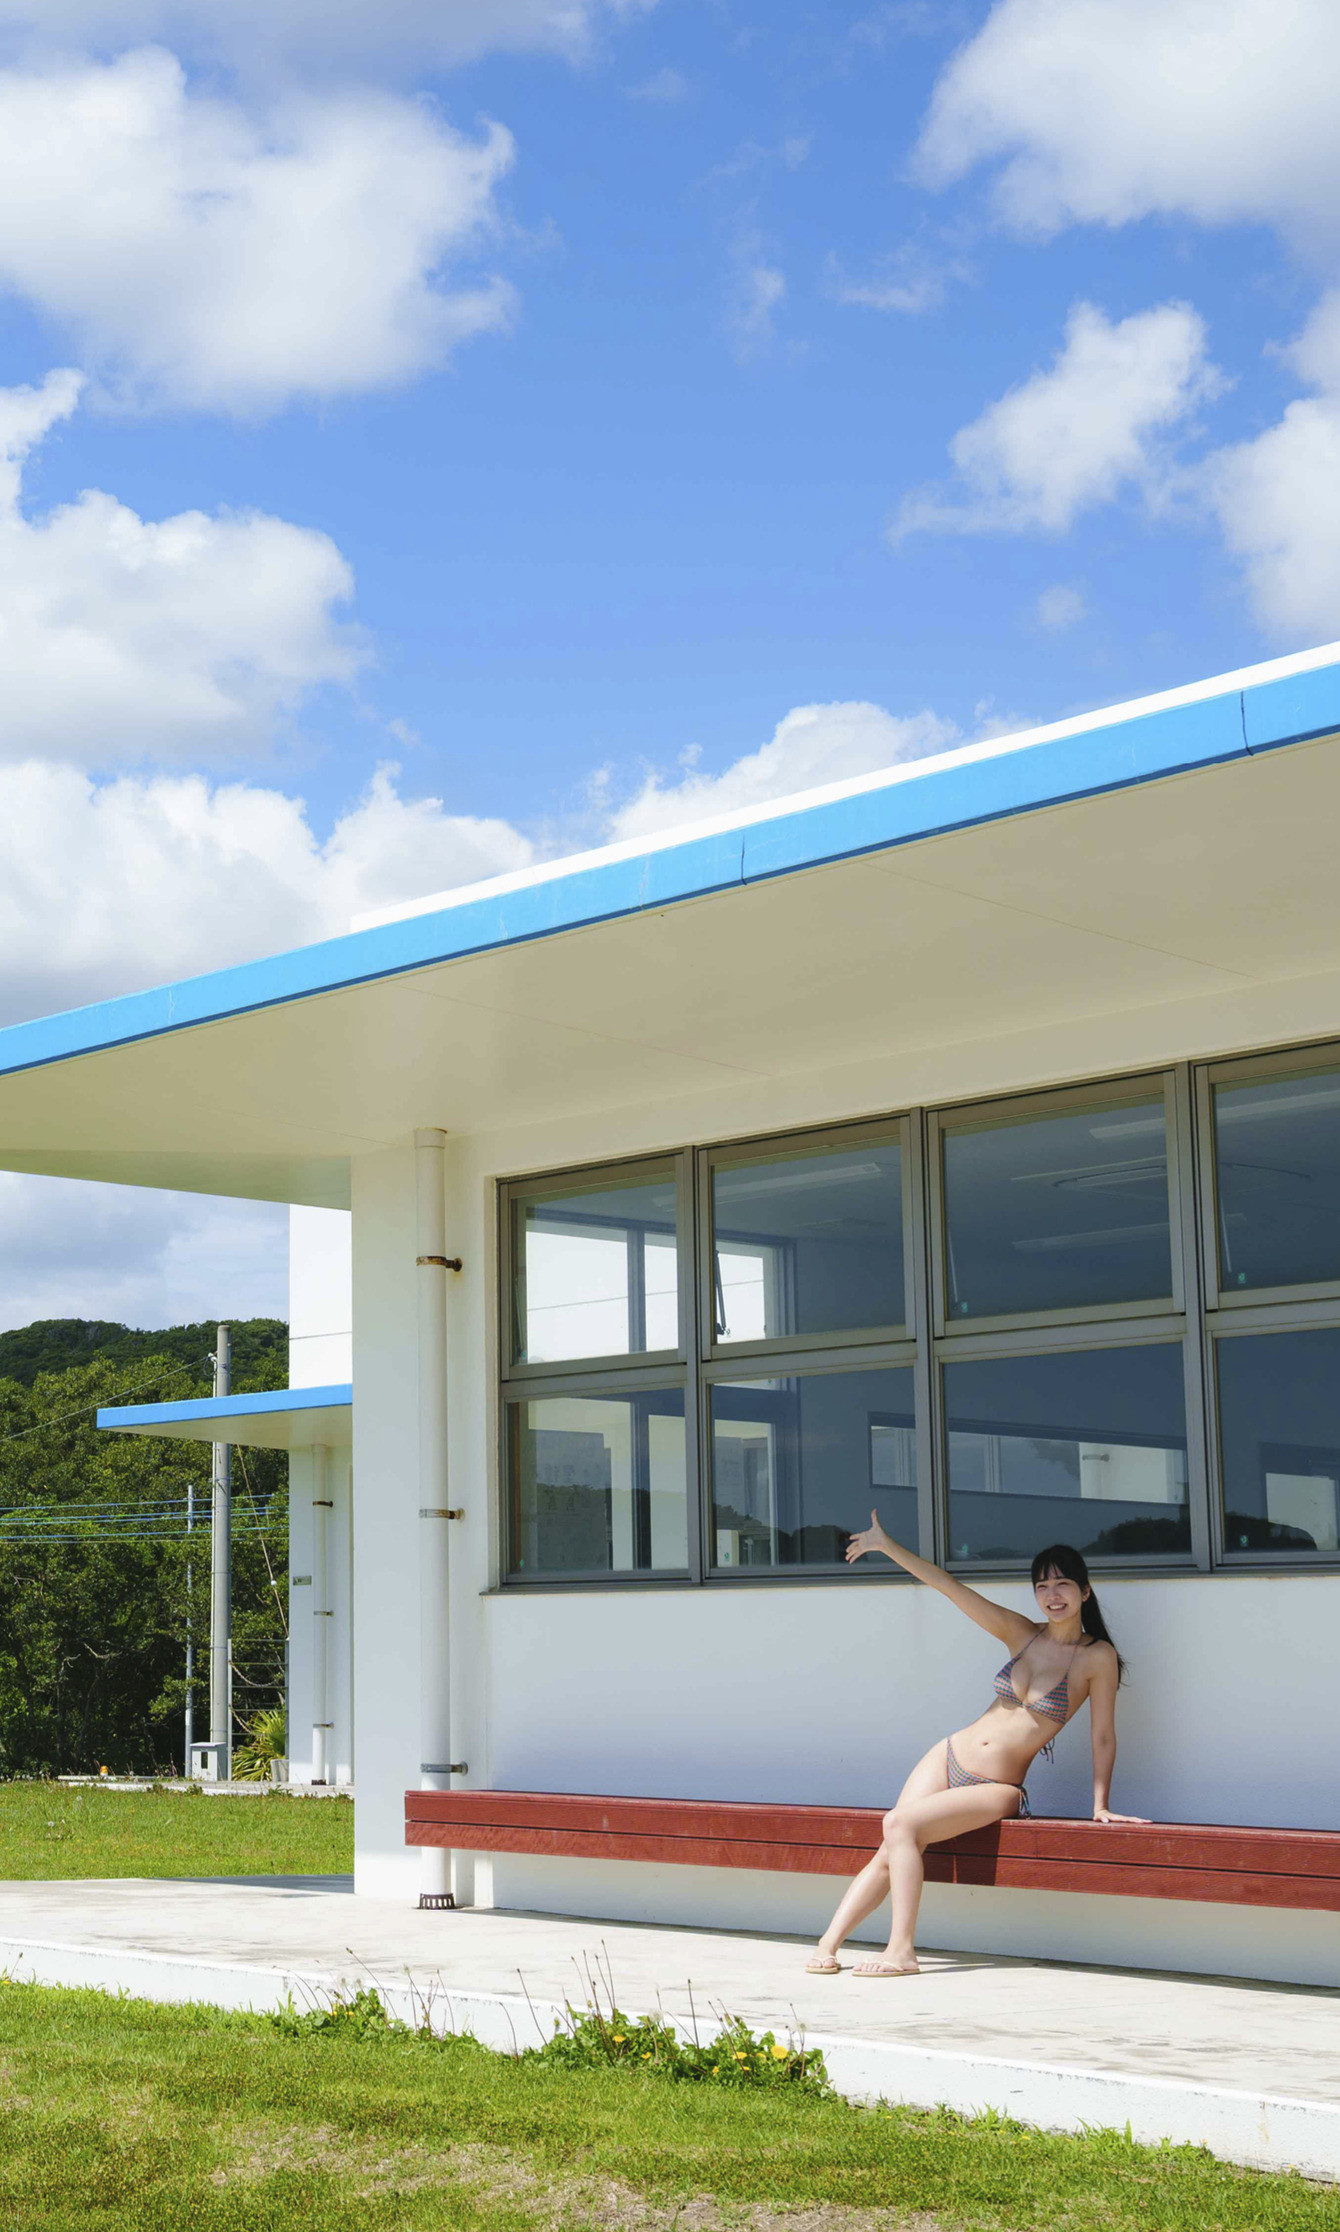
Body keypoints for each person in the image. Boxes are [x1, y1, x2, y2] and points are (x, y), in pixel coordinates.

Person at [807, 1517, 1144, 1977]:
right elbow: (949, 1587)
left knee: (898, 1824)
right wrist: (887, 1546)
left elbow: (1102, 1735)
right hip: (949, 1754)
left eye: (1063, 1583)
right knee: (893, 1843)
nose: (1052, 1594)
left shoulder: (1097, 1657)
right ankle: (827, 1944)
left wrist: (1100, 1804)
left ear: (1085, 1591)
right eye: (1042, 1586)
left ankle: (901, 1951)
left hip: (999, 1786)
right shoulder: (1022, 1633)